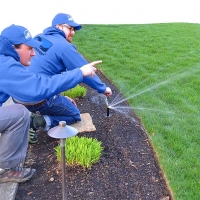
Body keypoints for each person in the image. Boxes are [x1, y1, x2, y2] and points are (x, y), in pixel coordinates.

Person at [0, 24, 101, 183]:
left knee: (19, 110)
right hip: (39, 101)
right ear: (14, 48)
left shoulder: (5, 61)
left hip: (31, 101)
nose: (34, 53)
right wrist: (80, 73)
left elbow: (32, 85)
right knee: (20, 114)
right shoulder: (5, 65)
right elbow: (37, 88)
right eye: (29, 49)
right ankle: (6, 170)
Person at [25, 13, 112, 143]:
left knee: (56, 99)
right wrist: (103, 88)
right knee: (73, 115)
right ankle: (36, 122)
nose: (73, 32)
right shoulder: (65, 47)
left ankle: (34, 112)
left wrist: (60, 96)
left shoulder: (39, 37)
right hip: (37, 98)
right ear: (58, 26)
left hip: (19, 94)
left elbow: (48, 72)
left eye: (74, 29)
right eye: (69, 28)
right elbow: (84, 71)